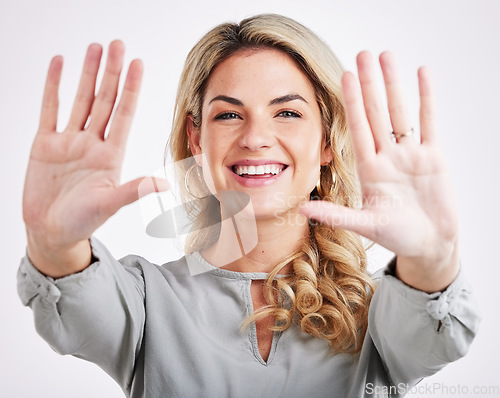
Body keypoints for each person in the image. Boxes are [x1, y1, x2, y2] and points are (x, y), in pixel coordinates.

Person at [18, 13, 480, 398]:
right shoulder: (145, 299)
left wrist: (432, 257)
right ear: (197, 139)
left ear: (325, 143)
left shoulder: (380, 313)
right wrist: (53, 243)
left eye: (288, 112)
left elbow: (433, 333)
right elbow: (77, 304)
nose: (256, 137)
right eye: (229, 114)